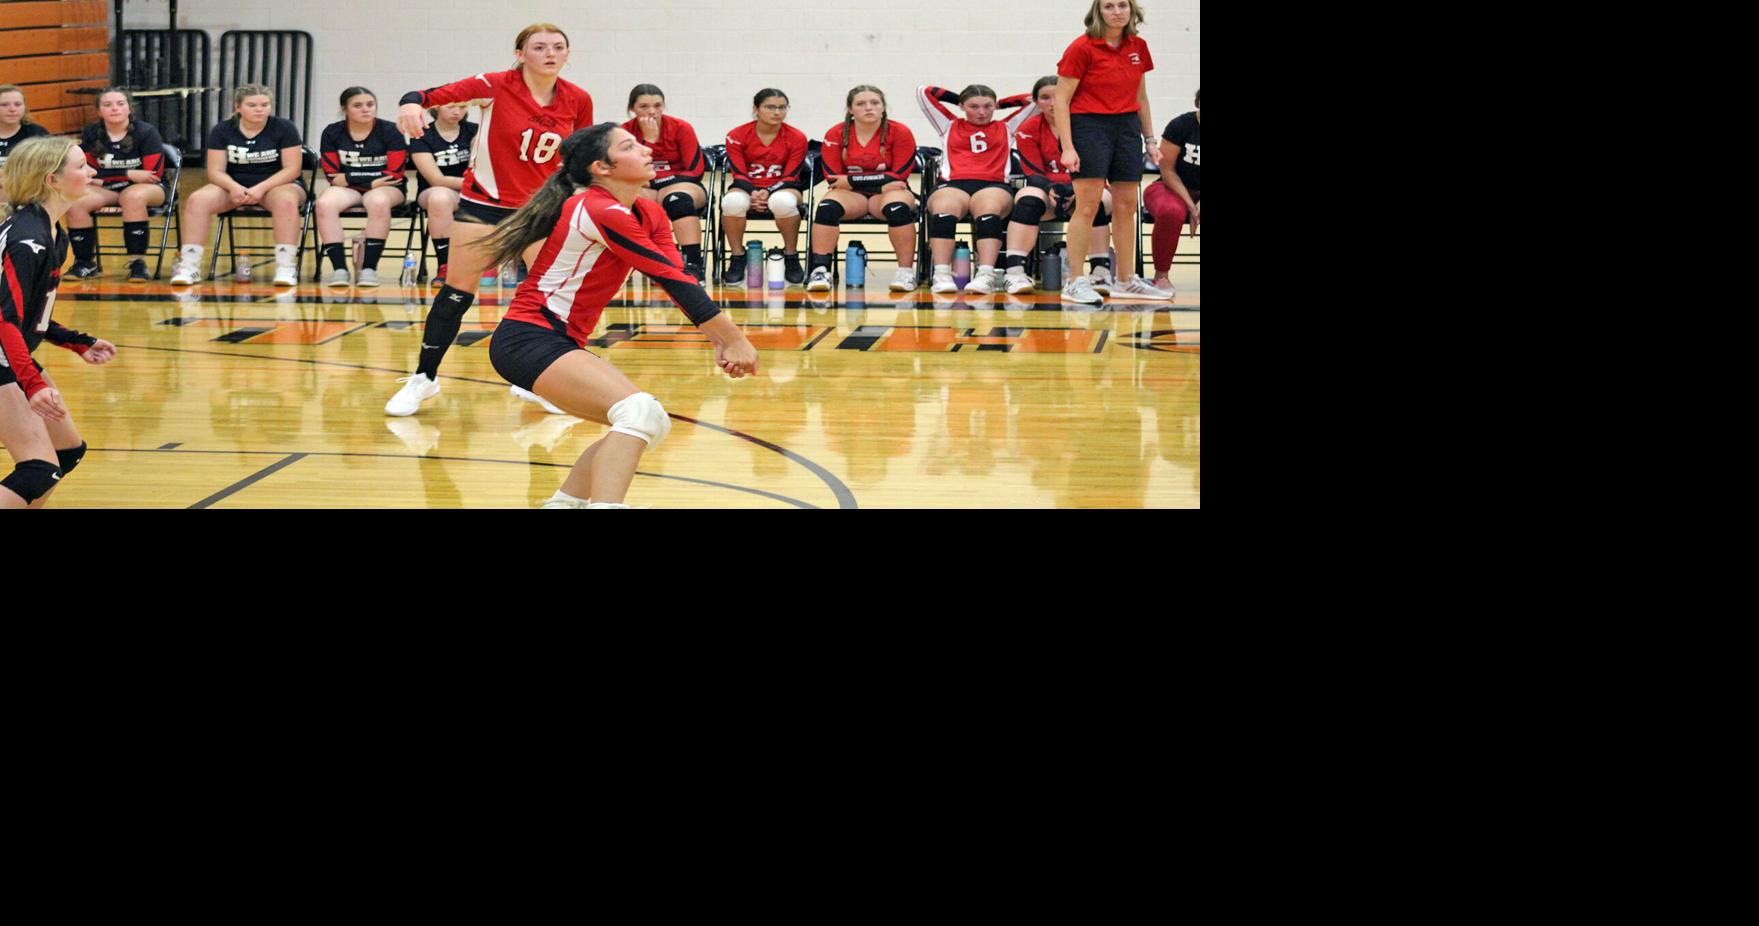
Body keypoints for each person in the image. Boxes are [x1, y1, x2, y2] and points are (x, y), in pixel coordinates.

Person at [478, 124, 759, 508]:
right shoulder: (596, 208)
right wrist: (733, 338)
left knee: (649, 420)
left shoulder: (649, 211)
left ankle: (564, 504)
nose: (645, 150)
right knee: (638, 413)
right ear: (602, 168)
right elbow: (670, 277)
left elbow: (675, 277)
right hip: (528, 338)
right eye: (629, 146)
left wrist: (721, 340)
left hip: (555, 341)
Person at [385, 23, 595, 417]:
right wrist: (410, 104)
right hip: (484, 204)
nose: (550, 53)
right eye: (539, 47)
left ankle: (536, 381)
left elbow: (580, 153)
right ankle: (424, 378)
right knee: (456, 293)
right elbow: (427, 96)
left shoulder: (578, 98)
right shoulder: (495, 85)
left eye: (558, 47)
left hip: (540, 208)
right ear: (520, 54)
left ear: (568, 54)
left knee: (548, 300)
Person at [0, 137, 118, 510]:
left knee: (65, 451)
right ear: (52, 180)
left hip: (10, 352)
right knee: (37, 469)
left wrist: (77, 341)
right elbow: (5, 319)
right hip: (3, 355)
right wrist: (32, 385)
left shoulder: (50, 232)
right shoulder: (27, 239)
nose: (92, 172)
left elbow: (31, 312)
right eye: (81, 166)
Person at [1053, 0, 1172, 302]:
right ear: (1098, 12)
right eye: (1109, 6)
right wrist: (1068, 146)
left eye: (1122, 5)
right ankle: (1075, 281)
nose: (1117, 11)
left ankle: (1125, 280)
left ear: (1132, 10)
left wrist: (1150, 139)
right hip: (1089, 127)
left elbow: (1141, 97)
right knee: (1088, 206)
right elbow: (1061, 100)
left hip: (1127, 127)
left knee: (1127, 205)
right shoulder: (1081, 48)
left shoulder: (1138, 47)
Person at [169, 84, 306, 287]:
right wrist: (233, 187)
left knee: (285, 202)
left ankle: (286, 266)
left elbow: (292, 169)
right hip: (234, 185)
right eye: (252, 105)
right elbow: (215, 171)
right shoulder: (223, 130)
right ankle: (190, 266)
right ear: (238, 107)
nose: (259, 109)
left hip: (277, 184)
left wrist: (261, 188)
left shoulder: (284, 128)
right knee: (197, 200)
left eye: (265, 105)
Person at [915, 83, 1033, 294]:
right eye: (974, 106)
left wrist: (1002, 104)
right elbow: (923, 92)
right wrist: (958, 98)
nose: (982, 112)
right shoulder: (948, 125)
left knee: (988, 209)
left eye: (988, 106)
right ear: (962, 107)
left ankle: (985, 274)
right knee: (944, 208)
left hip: (994, 185)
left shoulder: (1007, 127)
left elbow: (1034, 100)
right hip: (953, 184)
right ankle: (941, 274)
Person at [1003, 76, 1115, 295]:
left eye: (1058, 96)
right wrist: (1052, 189)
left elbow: (1096, 168)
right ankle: (1014, 273)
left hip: (1084, 186)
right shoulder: (1029, 127)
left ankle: (1100, 272)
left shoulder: (1088, 125)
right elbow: (1032, 172)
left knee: (1095, 200)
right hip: (1047, 190)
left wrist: (1074, 190)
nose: (1053, 103)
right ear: (1035, 102)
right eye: (1045, 98)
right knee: (1028, 198)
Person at [807, 85, 919, 292]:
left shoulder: (900, 132)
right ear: (850, 109)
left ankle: (905, 273)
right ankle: (821, 271)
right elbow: (833, 178)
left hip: (887, 195)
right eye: (861, 104)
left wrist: (851, 180)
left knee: (898, 208)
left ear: (883, 107)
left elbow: (900, 175)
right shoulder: (836, 133)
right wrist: (879, 182)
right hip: (853, 196)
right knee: (826, 208)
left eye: (875, 103)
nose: (869, 107)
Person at [64, 88, 168, 283]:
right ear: (99, 111)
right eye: (107, 105)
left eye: (120, 104)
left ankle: (137, 263)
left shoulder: (146, 132)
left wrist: (103, 179)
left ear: (129, 108)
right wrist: (128, 174)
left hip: (151, 189)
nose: (114, 108)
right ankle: (84, 263)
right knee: (76, 201)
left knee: (132, 197)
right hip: (110, 189)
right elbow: (87, 170)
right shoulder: (91, 133)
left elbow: (152, 175)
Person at [315, 86, 410, 287]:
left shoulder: (391, 131)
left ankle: (369, 269)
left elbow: (394, 174)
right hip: (351, 189)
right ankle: (339, 270)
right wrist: (370, 180)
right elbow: (333, 176)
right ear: (345, 109)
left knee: (378, 201)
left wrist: (351, 177)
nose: (366, 109)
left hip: (387, 187)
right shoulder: (332, 132)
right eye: (358, 106)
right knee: (324, 203)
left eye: (370, 104)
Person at [621, 84, 711, 282]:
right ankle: (642, 262)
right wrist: (649, 141)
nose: (652, 111)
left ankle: (693, 263)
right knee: (628, 203)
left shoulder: (681, 128)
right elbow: (625, 170)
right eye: (644, 106)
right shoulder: (623, 132)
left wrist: (658, 183)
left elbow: (695, 170)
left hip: (681, 183)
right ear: (632, 109)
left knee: (676, 200)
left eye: (657, 105)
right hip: (644, 185)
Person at [720, 88, 808, 286]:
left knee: (782, 202)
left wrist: (768, 192)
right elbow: (739, 174)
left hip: (784, 187)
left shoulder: (797, 137)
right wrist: (753, 192)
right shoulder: (737, 135)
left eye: (782, 107)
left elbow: (791, 176)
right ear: (756, 109)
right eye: (770, 107)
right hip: (746, 186)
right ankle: (737, 256)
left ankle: (791, 255)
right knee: (732, 202)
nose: (777, 112)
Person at [407, 101, 480, 285]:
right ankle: (445, 265)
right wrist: (473, 185)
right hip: (432, 192)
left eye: (462, 107)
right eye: (451, 107)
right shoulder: (422, 134)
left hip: (470, 193)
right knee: (439, 198)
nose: (457, 112)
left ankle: (491, 268)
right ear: (437, 107)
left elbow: (479, 169)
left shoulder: (474, 131)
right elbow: (436, 179)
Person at [1143, 87, 1198, 294]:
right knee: (1171, 211)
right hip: (1171, 187)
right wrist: (1191, 205)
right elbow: (1167, 170)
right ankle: (1161, 276)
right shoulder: (1181, 125)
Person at [0, 84, 50, 208]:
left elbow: (48, 166)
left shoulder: (36, 133)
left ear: (24, 107)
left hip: (27, 189)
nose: (12, 109)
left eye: (18, 104)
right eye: (4, 105)